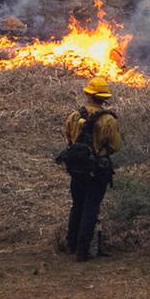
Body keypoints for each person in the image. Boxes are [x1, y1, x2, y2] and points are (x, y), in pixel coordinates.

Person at [58, 75, 120, 262]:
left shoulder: (74, 116)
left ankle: (71, 243)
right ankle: (83, 250)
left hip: (77, 169)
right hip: (97, 170)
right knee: (91, 206)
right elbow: (115, 146)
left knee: (77, 204)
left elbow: (69, 138)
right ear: (104, 98)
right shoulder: (108, 120)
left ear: (89, 95)